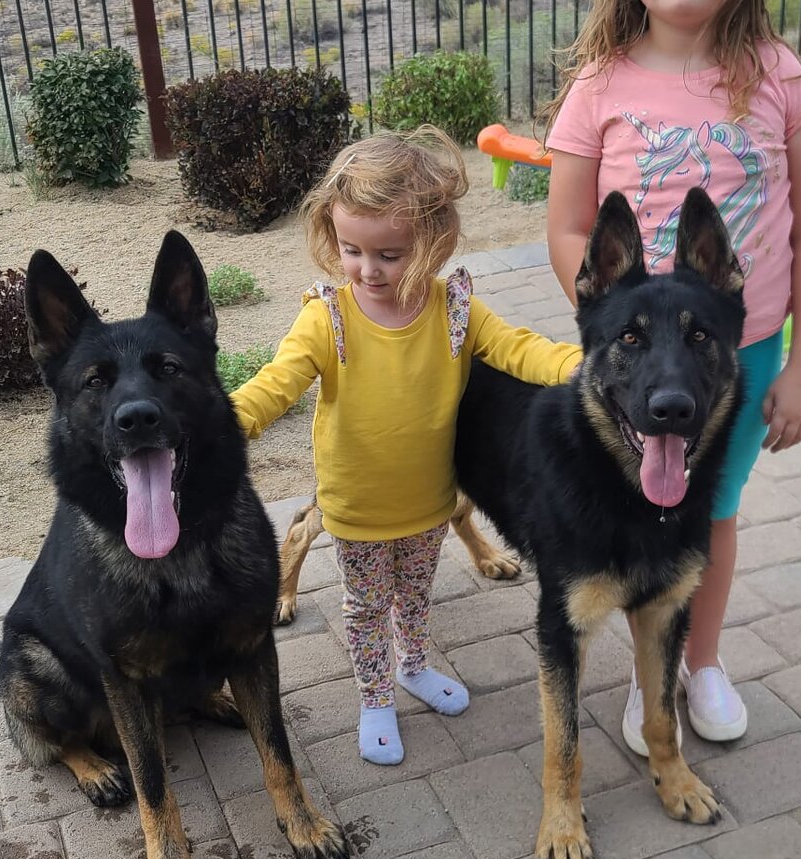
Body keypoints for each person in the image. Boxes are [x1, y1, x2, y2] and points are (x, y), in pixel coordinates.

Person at [545, 0, 801, 753]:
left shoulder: (779, 75)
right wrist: (612, 329)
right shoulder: (598, 86)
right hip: (636, 362)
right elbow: (567, 228)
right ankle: (650, 676)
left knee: (708, 507)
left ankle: (697, 660)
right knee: (635, 506)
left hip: (735, 359)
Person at [229, 128, 581, 766]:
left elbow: (518, 349)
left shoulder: (455, 310)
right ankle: (375, 697)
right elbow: (276, 383)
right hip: (357, 509)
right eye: (351, 250)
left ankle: (414, 666)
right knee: (366, 609)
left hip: (428, 504)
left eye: (389, 255)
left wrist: (584, 366)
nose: (368, 270)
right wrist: (226, 419)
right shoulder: (328, 317)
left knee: (416, 596)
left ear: (432, 241)